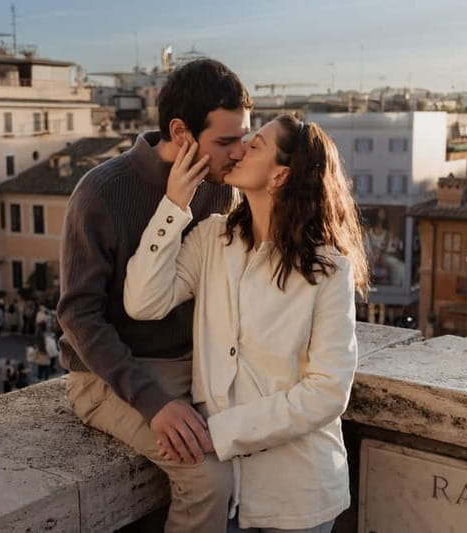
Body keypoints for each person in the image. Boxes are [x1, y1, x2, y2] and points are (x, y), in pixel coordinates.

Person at [124, 114, 369, 531]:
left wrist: (219, 432)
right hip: (229, 494)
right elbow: (143, 302)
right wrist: (174, 206)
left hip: (297, 495)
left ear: (280, 176)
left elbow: (327, 392)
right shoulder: (212, 238)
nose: (238, 150)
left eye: (255, 145)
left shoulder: (328, 270)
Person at [58, 58, 252, 532]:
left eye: (244, 137)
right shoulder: (100, 192)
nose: (239, 153)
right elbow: (78, 316)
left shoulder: (221, 191)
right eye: (226, 142)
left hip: (198, 369)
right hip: (110, 379)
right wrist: (152, 401)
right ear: (181, 132)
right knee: (208, 477)